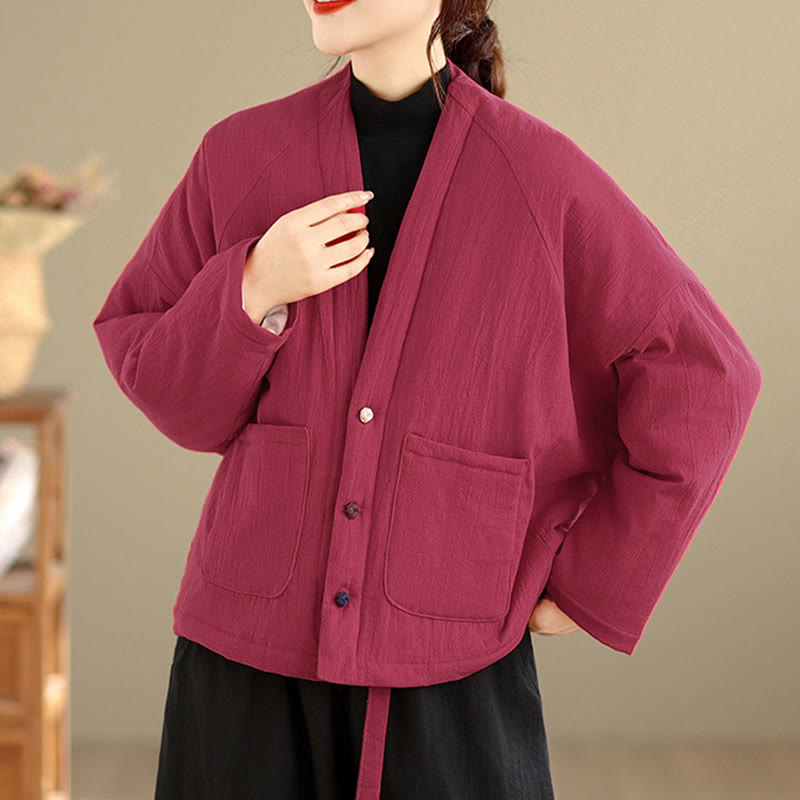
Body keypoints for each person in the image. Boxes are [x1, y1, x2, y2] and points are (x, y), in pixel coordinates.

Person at [91, 1, 763, 798]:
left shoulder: (540, 177)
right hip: (242, 660)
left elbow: (706, 375)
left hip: (448, 659)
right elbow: (170, 393)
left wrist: (594, 582)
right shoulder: (239, 154)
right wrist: (253, 285)